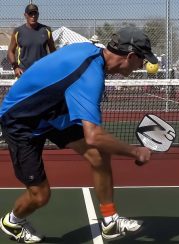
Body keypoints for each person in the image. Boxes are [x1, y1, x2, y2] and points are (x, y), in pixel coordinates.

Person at [0, 27, 157, 243]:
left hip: (51, 112)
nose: (142, 65)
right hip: (20, 120)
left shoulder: (91, 52)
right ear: (130, 56)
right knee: (40, 195)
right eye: (142, 59)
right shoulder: (91, 76)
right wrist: (136, 152)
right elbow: (93, 135)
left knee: (99, 154)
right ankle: (13, 221)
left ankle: (110, 221)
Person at [7, 3, 56, 78]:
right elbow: (10, 51)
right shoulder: (18, 31)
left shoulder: (46, 30)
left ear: (38, 15)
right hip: (23, 74)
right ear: (25, 15)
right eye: (30, 14)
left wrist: (52, 67)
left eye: (35, 13)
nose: (33, 16)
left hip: (42, 72)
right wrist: (15, 67)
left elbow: (53, 51)